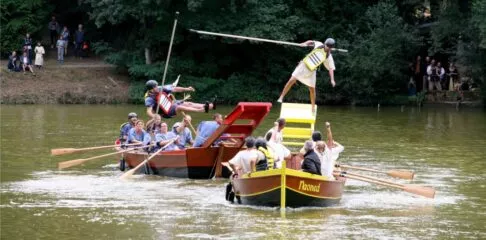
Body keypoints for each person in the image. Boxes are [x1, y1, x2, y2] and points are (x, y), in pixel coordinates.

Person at [277, 38, 337, 114]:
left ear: (331, 48)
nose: (327, 48)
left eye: (329, 47)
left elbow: (331, 68)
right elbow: (311, 41)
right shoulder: (319, 44)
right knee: (292, 80)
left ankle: (312, 107)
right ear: (325, 44)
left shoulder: (328, 56)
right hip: (304, 65)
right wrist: (304, 43)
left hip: (312, 71)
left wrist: (332, 79)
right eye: (327, 46)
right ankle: (281, 97)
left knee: (312, 89)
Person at [144, 79, 215, 119]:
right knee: (180, 107)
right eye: (155, 87)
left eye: (157, 86)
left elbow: (175, 89)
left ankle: (209, 106)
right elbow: (148, 111)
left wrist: (187, 89)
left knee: (188, 103)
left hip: (171, 103)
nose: (157, 87)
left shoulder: (159, 88)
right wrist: (154, 116)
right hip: (166, 113)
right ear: (151, 89)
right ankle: (201, 110)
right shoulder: (149, 98)